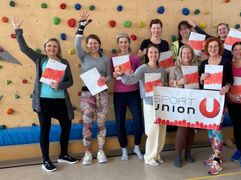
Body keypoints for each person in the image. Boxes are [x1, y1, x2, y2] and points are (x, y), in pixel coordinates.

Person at [10, 16, 78, 172]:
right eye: (49, 46)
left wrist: (59, 85)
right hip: (44, 101)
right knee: (45, 130)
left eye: (54, 46)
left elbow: (70, 82)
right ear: (45, 48)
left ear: (58, 48)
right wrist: (18, 31)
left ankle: (63, 154)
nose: (52, 49)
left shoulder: (64, 62)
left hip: (61, 101)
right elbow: (24, 49)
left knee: (66, 126)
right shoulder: (40, 59)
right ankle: (46, 160)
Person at [114, 44, 167, 166]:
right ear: (147, 55)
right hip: (149, 103)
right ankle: (149, 158)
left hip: (161, 103)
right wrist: (122, 74)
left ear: (159, 55)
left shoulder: (162, 69)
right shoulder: (143, 68)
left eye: (156, 53)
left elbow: (164, 85)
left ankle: (157, 154)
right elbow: (132, 79)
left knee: (161, 131)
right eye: (151, 53)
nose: (153, 55)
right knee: (152, 131)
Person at [74, 11, 112, 165]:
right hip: (87, 95)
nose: (93, 45)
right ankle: (88, 153)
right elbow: (76, 43)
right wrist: (81, 26)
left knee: (102, 124)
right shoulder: (83, 56)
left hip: (102, 94)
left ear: (99, 45)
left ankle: (101, 151)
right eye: (90, 43)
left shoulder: (106, 59)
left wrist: (106, 78)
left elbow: (110, 76)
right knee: (87, 123)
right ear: (87, 46)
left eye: (95, 43)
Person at [199, 37, 233, 175]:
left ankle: (217, 161)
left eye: (215, 46)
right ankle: (215, 154)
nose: (212, 49)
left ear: (219, 48)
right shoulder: (203, 64)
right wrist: (202, 78)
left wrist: (227, 87)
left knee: (217, 129)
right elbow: (200, 84)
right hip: (207, 101)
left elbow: (231, 79)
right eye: (210, 47)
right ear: (207, 48)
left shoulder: (226, 62)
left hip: (220, 100)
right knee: (210, 129)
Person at [111, 33, 144, 160]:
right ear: (118, 44)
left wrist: (132, 74)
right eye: (121, 42)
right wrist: (114, 75)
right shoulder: (113, 58)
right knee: (120, 121)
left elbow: (139, 76)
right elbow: (112, 74)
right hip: (119, 94)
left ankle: (137, 146)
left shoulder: (135, 59)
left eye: (125, 42)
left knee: (138, 120)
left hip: (133, 92)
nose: (123, 44)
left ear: (129, 43)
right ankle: (123, 148)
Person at [169, 45, 198, 167]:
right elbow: (170, 85)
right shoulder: (175, 69)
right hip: (180, 103)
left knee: (191, 129)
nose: (186, 55)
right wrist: (180, 82)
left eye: (189, 53)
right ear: (180, 55)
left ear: (192, 55)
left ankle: (188, 153)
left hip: (194, 101)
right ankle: (178, 156)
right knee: (182, 129)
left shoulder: (196, 68)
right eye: (184, 53)